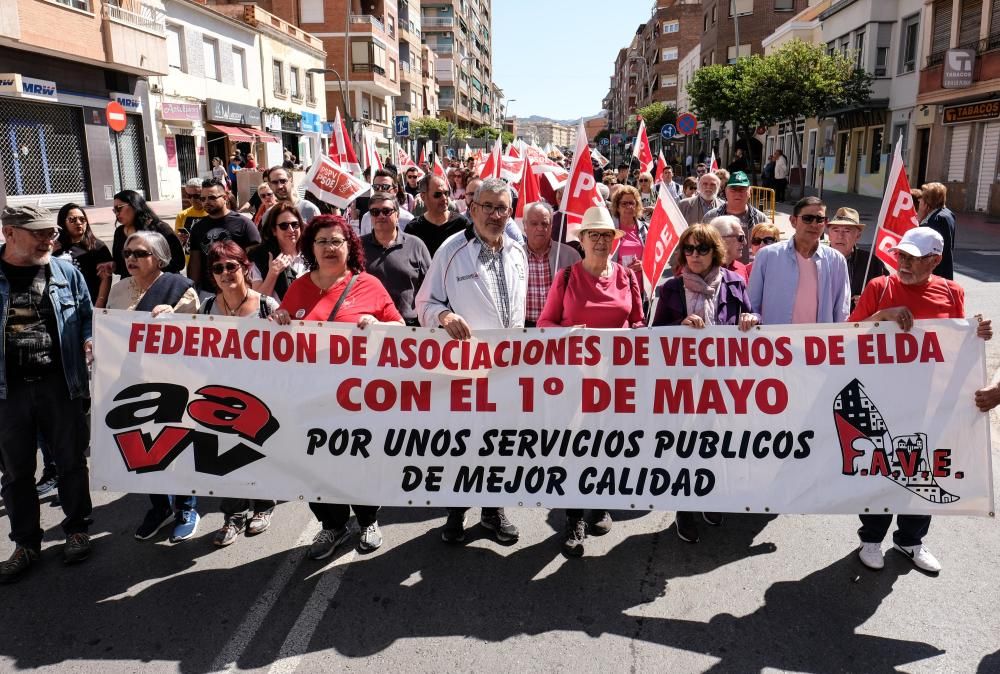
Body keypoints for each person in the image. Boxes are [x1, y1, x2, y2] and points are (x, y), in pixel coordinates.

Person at [850, 227, 992, 573]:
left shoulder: (952, 292)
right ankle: (871, 538)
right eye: (901, 255)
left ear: (935, 260)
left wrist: (978, 335)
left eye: (914, 258)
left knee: (923, 468)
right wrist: (882, 316)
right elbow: (847, 337)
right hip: (882, 397)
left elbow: (958, 343)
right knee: (882, 467)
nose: (904, 263)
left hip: (932, 401)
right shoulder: (879, 287)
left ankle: (910, 539)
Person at [272, 215, 402, 559]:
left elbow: (400, 327)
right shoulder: (298, 287)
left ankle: (367, 519)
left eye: (337, 241)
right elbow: (279, 343)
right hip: (310, 401)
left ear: (350, 246)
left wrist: (379, 323)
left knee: (358, 461)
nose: (329, 248)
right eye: (322, 242)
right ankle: (332, 524)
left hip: (358, 401)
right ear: (310, 248)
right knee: (315, 465)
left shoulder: (368, 284)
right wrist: (280, 321)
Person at [415, 177, 527, 545]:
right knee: (464, 445)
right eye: (488, 207)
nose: (495, 215)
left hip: (509, 370)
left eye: (503, 208)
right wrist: (445, 318)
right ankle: (456, 512)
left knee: (499, 444)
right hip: (465, 371)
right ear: (472, 209)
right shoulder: (450, 251)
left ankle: (494, 513)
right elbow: (425, 304)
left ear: (510, 213)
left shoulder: (517, 249)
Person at [536, 205, 643, 556]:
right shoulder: (566, 277)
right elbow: (544, 325)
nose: (600, 241)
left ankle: (599, 503)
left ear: (614, 241)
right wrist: (570, 333)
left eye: (606, 236)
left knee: (609, 443)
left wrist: (631, 337)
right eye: (593, 235)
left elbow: (639, 325)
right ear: (581, 240)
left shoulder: (628, 278)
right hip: (574, 381)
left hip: (616, 379)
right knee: (576, 447)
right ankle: (574, 517)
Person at [0, 207, 94, 583]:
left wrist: (89, 337)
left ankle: (77, 530)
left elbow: (87, 314)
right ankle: (26, 544)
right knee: (16, 470)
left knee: (71, 460)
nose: (48, 240)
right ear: (10, 233)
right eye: (38, 233)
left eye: (51, 232)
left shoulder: (65, 271)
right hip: (9, 392)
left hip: (62, 383)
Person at [651, 223, 758, 544]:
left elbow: (752, 324)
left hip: (722, 383)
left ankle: (709, 497)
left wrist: (753, 321)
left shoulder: (735, 284)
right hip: (681, 385)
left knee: (714, 445)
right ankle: (684, 508)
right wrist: (677, 325)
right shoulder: (670, 289)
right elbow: (654, 335)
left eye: (702, 249)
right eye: (689, 249)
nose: (694, 255)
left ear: (715, 252)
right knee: (685, 447)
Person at [106, 231, 200, 542]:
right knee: (141, 449)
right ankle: (159, 507)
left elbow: (198, 342)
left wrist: (174, 321)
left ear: (158, 258)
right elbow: (111, 334)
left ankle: (187, 507)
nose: (131, 258)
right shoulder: (118, 291)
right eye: (128, 253)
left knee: (176, 446)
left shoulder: (180, 290)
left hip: (174, 384)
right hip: (131, 382)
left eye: (140, 253)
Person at [202, 241, 279, 547]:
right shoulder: (206, 308)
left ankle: (263, 505)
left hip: (262, 395)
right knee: (224, 457)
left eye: (231, 266)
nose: (224, 273)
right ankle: (233, 514)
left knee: (258, 451)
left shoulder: (266, 306)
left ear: (246, 268)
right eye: (218, 268)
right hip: (220, 396)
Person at [749, 197, 850, 325]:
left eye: (819, 219)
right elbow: (752, 305)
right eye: (807, 218)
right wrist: (753, 318)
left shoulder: (837, 260)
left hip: (819, 342)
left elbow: (842, 311)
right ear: (793, 221)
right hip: (776, 341)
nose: (814, 224)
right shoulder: (767, 256)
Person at [360, 194, 431, 325]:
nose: (381, 216)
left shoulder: (416, 245)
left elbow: (430, 287)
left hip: (409, 327)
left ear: (397, 215)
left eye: (386, 211)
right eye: (375, 212)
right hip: (367, 325)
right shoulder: (358, 246)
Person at [187, 178, 262, 292]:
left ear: (225, 198)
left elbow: (255, 261)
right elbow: (195, 262)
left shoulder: (244, 223)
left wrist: (250, 288)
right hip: (208, 292)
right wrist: (193, 289)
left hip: (239, 290)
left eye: (212, 197)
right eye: (203, 198)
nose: (206, 202)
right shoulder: (198, 227)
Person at [522, 201, 580, 327]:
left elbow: (580, 294)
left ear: (552, 226)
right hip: (523, 330)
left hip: (557, 327)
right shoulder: (513, 256)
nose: (540, 228)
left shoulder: (571, 256)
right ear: (524, 226)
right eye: (534, 223)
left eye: (544, 223)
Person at [824, 207, 887, 311]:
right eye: (835, 230)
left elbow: (887, 294)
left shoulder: (871, 263)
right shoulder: (816, 259)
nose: (840, 236)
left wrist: (870, 301)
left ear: (858, 236)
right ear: (829, 234)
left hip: (857, 323)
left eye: (847, 231)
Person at [111, 190, 185, 277]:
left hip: (160, 283)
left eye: (119, 208)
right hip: (132, 286)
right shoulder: (119, 232)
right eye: (114, 210)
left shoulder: (160, 228)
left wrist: (150, 268)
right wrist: (112, 266)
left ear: (134, 205)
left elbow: (178, 262)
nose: (117, 213)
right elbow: (119, 268)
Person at [55, 203, 112, 310]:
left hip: (90, 303)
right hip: (63, 304)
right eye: (72, 220)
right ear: (63, 222)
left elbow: (106, 279)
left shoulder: (98, 247)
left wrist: (99, 305)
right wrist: (49, 252)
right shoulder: (55, 246)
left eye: (82, 219)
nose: (79, 223)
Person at [249, 202, 308, 302]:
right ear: (274, 231)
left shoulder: (312, 254)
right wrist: (273, 273)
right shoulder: (261, 257)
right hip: (275, 316)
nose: (291, 230)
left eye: (295, 224)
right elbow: (258, 301)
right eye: (284, 226)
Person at [704, 171, 768, 263]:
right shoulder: (711, 217)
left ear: (750, 192)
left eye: (742, 189)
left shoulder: (761, 219)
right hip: (720, 272)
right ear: (726, 191)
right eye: (733, 189)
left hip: (751, 273)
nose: (738, 193)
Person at [405, 174, 467, 257]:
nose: (444, 198)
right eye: (437, 194)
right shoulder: (413, 229)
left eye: (446, 193)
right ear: (423, 196)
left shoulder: (461, 224)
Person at [916, 182, 956, 280]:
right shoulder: (946, 213)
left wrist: (920, 218)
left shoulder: (938, 219)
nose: (919, 200)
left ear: (928, 201)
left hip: (936, 273)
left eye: (922, 197)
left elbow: (921, 241)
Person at [358, 169, 415, 237]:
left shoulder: (408, 219)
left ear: (395, 190)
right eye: (376, 187)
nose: (380, 190)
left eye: (385, 187)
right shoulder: (367, 218)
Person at [609, 185, 647, 281]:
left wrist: (644, 264)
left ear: (637, 205)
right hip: (618, 284)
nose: (629, 207)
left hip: (641, 287)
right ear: (617, 207)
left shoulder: (645, 228)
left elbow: (654, 257)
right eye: (624, 203)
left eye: (631, 203)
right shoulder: (610, 230)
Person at [709, 215, 750, 283]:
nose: (745, 243)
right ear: (721, 239)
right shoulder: (704, 269)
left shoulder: (741, 268)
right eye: (741, 237)